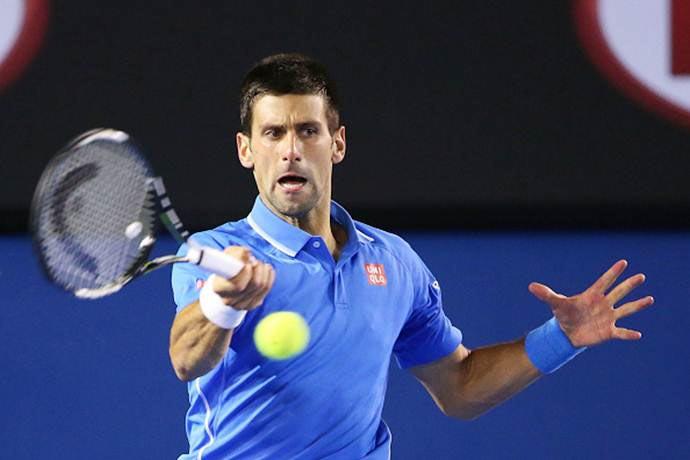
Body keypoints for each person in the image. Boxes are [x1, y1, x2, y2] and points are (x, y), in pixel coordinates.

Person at [168, 53, 654, 460]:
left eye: (308, 131)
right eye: (273, 134)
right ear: (246, 150)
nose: (291, 151)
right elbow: (187, 359)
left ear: (336, 144)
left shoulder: (395, 263)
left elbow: (459, 386)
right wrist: (224, 303)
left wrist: (560, 338)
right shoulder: (217, 255)